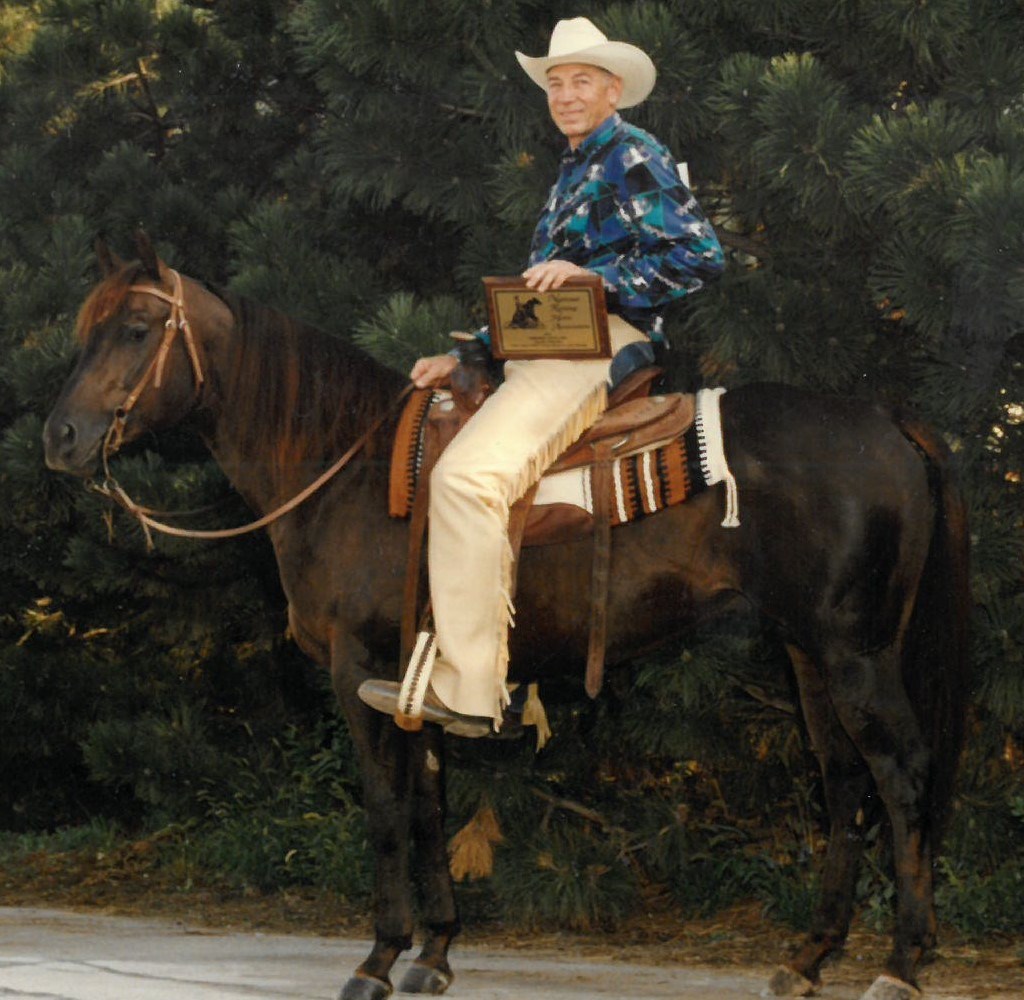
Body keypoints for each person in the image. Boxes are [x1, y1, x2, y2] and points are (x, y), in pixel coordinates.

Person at [359, 16, 725, 735]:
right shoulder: (574, 167)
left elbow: (701, 256)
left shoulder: (634, 154)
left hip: (601, 345)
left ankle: (467, 691)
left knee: (466, 479)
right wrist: (467, 355)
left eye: (581, 80)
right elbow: (543, 306)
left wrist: (596, 275)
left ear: (613, 89)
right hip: (551, 345)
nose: (565, 94)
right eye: (556, 83)